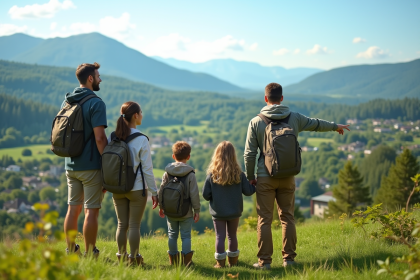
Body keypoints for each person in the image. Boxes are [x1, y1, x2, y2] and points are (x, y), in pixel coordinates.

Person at [244, 83, 350, 269]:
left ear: (266, 98)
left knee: (265, 220)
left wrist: (251, 176)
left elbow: (249, 154)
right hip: (288, 175)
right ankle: (289, 260)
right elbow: (316, 124)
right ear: (282, 98)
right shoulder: (295, 118)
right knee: (288, 217)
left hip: (265, 176)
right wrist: (335, 126)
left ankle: (265, 262)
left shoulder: (256, 122)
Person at [63, 62, 108, 257]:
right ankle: (90, 253)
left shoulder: (67, 101)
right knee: (91, 211)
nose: (100, 79)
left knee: (73, 210)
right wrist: (107, 164)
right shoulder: (96, 103)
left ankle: (71, 250)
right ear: (90, 78)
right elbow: (100, 138)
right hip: (90, 166)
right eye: (98, 76)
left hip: (70, 164)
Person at [109, 101, 159, 266]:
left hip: (117, 187)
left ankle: (121, 258)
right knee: (134, 226)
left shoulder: (113, 136)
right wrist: (154, 192)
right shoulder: (142, 139)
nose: (142, 115)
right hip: (137, 188)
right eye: (141, 112)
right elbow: (147, 170)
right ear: (136, 116)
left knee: (121, 224)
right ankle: (134, 260)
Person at [202, 141, 256, 268]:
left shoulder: (212, 176)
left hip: (218, 212)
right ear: (233, 156)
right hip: (234, 211)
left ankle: (220, 263)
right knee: (232, 236)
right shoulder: (239, 175)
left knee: (220, 236)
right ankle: (233, 262)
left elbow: (205, 195)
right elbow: (248, 192)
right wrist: (255, 185)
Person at [158, 141, 201, 266]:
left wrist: (162, 206)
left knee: (172, 235)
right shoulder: (190, 174)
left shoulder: (167, 173)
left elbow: (161, 191)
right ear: (188, 157)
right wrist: (196, 210)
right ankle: (187, 262)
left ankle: (173, 261)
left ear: (173, 156)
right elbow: (194, 194)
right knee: (186, 236)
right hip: (186, 210)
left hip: (170, 210)